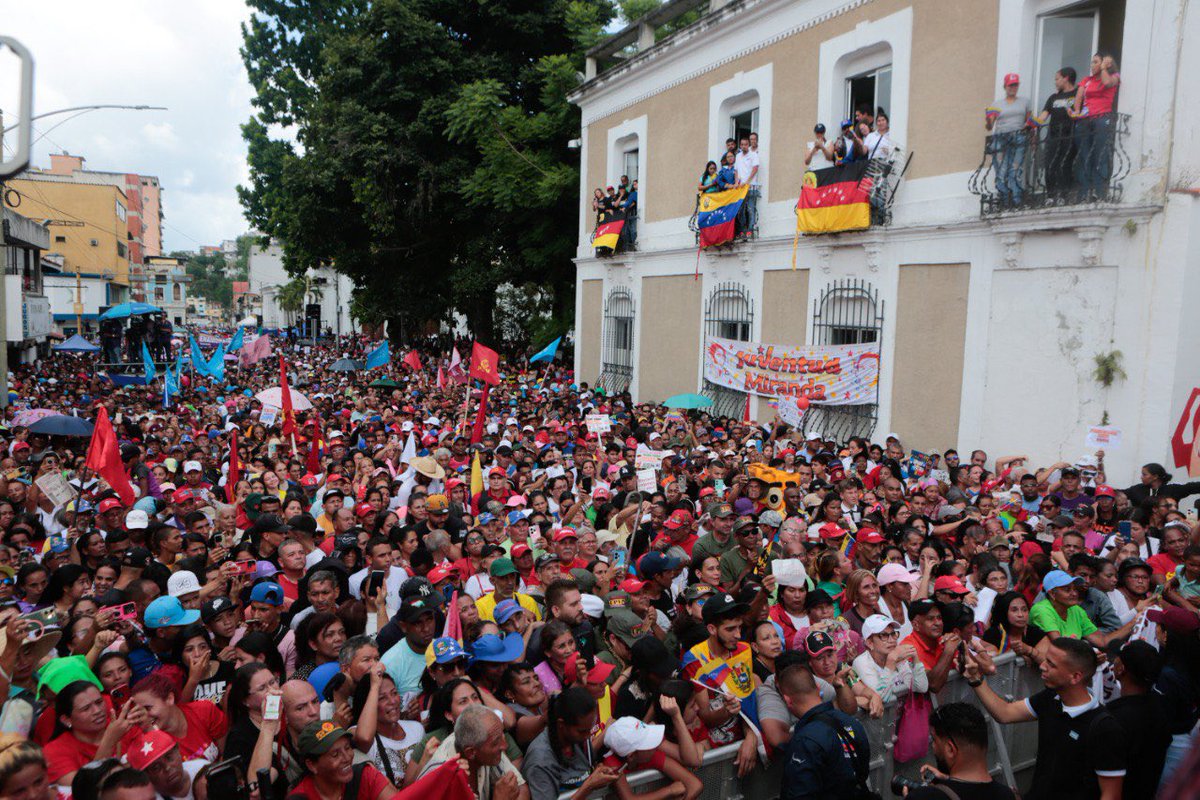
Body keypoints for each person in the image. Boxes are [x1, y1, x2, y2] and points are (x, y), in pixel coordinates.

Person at [962, 637, 1125, 800]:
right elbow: (1005, 712)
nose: (1042, 666)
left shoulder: (1104, 728)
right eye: (1045, 659)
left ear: (1075, 677)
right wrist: (976, 678)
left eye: (1051, 664)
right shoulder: (1051, 699)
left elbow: (1111, 794)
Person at [776, 662, 871, 800]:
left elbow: (799, 794)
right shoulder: (851, 723)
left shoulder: (804, 740)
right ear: (819, 689)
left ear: (787, 700)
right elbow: (863, 771)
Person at [903, 703, 1017, 800]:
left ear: (950, 749)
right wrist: (947, 779)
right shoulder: (1007, 795)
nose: (932, 746)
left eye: (934, 740)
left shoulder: (924, 797)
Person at [521, 687, 618, 800]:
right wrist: (588, 786)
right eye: (582, 731)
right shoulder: (540, 760)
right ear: (561, 725)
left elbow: (584, 771)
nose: (588, 736)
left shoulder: (579, 740)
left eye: (589, 730)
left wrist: (599, 772)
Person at [420, 704, 529, 800]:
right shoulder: (442, 779)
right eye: (496, 742)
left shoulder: (484, 742)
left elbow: (522, 789)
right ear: (471, 752)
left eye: (502, 735)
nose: (505, 746)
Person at [289, 720, 397, 800]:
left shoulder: (365, 776)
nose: (347, 758)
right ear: (312, 765)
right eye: (335, 754)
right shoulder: (300, 797)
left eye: (347, 748)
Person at [1072, 51, 1121, 201]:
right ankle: (1084, 193)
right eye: (1092, 62)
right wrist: (1076, 112)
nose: (1092, 65)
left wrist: (1105, 69)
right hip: (1085, 119)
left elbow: (1106, 83)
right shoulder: (1086, 80)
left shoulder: (1114, 77)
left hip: (1102, 118)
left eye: (1095, 62)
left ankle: (1099, 192)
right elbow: (1079, 97)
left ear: (1105, 63)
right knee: (1084, 156)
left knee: (1100, 155)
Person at [985, 73, 1032, 207]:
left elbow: (1028, 121)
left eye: (1015, 84)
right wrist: (987, 120)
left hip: (1019, 136)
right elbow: (990, 126)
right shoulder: (997, 104)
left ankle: (1016, 199)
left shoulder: (1025, 101)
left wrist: (1032, 137)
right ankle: (1005, 199)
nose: (1013, 87)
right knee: (1001, 170)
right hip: (1000, 137)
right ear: (1005, 86)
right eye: (1010, 85)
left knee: (1015, 169)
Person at [1035, 66, 1078, 200]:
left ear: (1066, 78)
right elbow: (1043, 116)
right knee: (1050, 163)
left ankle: (1064, 195)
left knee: (1065, 164)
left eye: (1057, 79)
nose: (1055, 82)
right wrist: (1032, 123)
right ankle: (1050, 196)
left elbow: (1081, 112)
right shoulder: (1053, 97)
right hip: (1053, 135)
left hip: (1069, 135)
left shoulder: (1077, 94)